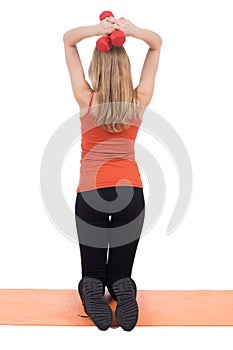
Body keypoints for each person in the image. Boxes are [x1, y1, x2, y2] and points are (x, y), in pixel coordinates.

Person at [63, 15, 162, 331]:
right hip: (130, 195)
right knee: (120, 272)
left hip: (90, 195)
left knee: (92, 274)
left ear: (96, 69)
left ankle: (92, 288)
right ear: (126, 71)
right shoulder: (139, 101)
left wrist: (97, 30)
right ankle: (122, 286)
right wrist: (134, 32)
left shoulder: (85, 98)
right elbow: (156, 45)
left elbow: (68, 39)